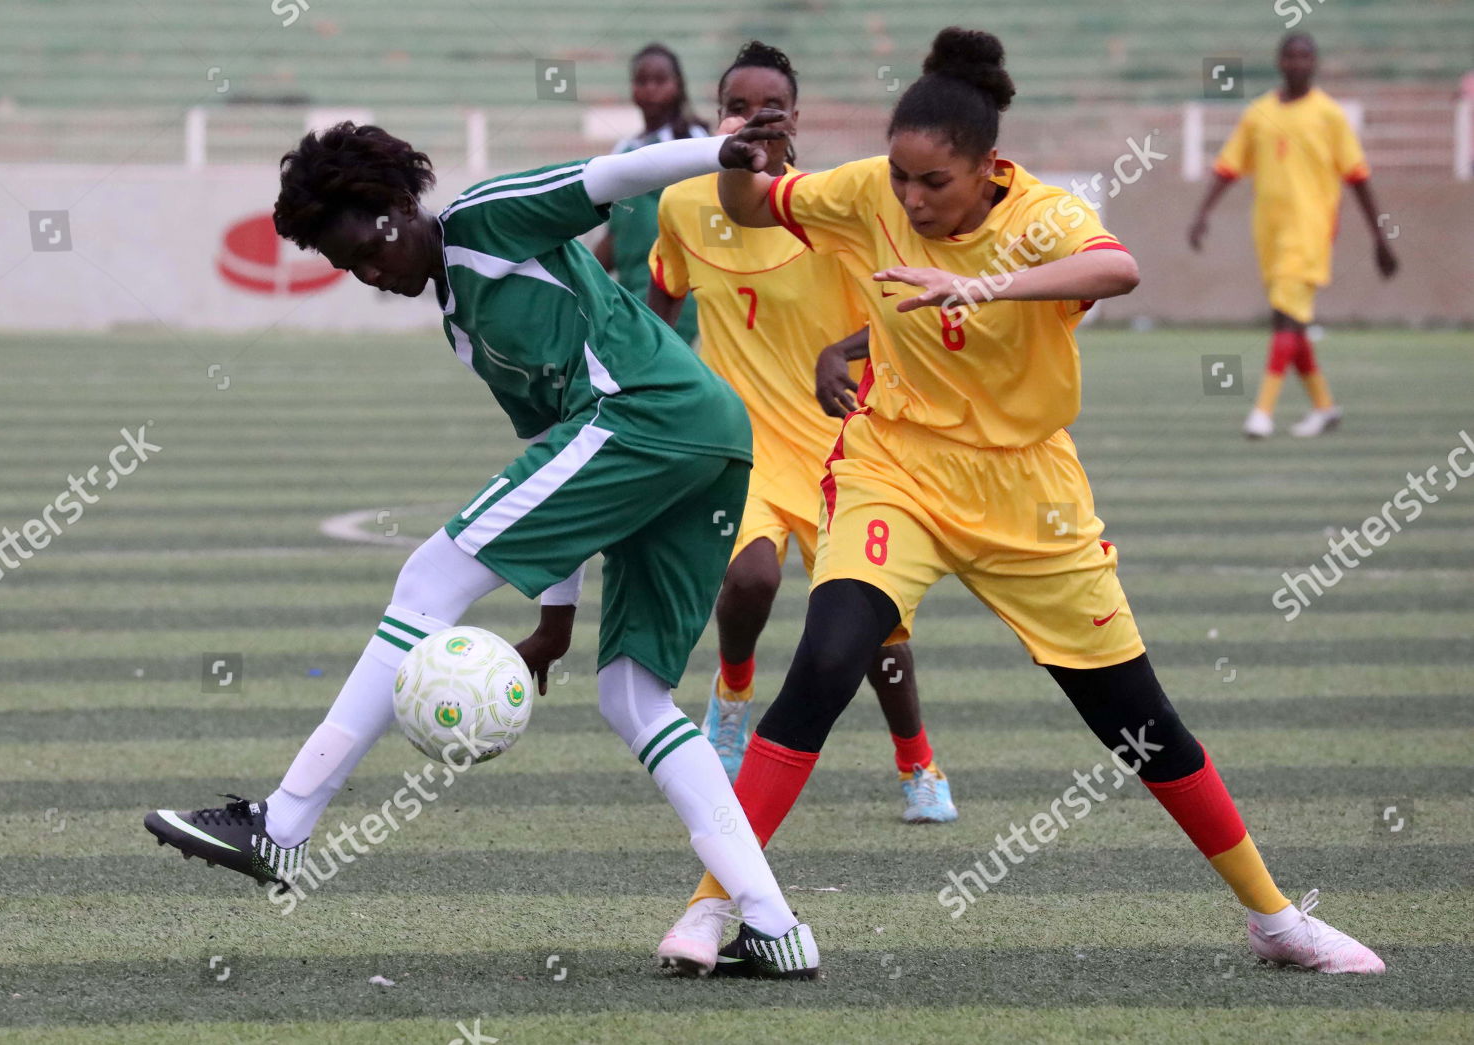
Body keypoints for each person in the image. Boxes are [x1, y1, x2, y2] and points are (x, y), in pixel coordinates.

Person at [661, 27, 1386, 978]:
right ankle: (714, 906)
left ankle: (1276, 919)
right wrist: (739, 154)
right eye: (904, 179)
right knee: (826, 663)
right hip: (897, 469)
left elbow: (1118, 268)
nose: (911, 199)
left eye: (936, 184)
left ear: (989, 168)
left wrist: (982, 283)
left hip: (1027, 494)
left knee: (1137, 716)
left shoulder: (1043, 216)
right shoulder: (869, 188)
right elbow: (757, 203)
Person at [142, 118, 821, 979]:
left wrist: (716, 152)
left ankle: (284, 823)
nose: (370, 273)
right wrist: (557, 616)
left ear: (395, 207)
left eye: (367, 248)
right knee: (633, 695)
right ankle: (774, 925)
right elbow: (550, 451)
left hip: (652, 416)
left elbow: (608, 177)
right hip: (698, 439)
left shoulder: (486, 221)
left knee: (428, 575)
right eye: (348, 268)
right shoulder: (462, 325)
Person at [646, 41, 956, 829]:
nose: (754, 119)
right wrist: (639, 390)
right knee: (750, 578)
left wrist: (841, 352)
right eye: (739, 106)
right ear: (718, 116)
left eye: (769, 108)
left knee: (876, 630)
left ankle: (917, 759)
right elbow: (659, 305)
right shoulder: (684, 205)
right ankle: (733, 695)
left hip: (840, 446)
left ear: (795, 121)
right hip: (740, 445)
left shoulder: (831, 211)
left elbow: (895, 316)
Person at [1189, 32, 1398, 439]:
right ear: (1280, 62)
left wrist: (1379, 238)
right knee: (1293, 321)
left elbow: (1358, 178)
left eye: (1306, 57)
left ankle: (1261, 413)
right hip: (1268, 233)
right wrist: (1202, 214)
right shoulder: (1259, 113)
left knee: (1285, 318)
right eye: (1291, 56)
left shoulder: (1330, 115)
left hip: (1311, 233)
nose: (1298, 63)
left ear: (1314, 64)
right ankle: (1324, 408)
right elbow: (1229, 166)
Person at [592, 42, 710, 345]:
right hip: (630, 295)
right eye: (641, 81)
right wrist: (585, 271)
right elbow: (616, 231)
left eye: (660, 81)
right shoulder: (624, 150)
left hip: (677, 297)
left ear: (678, 85)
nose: (650, 90)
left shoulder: (693, 142)